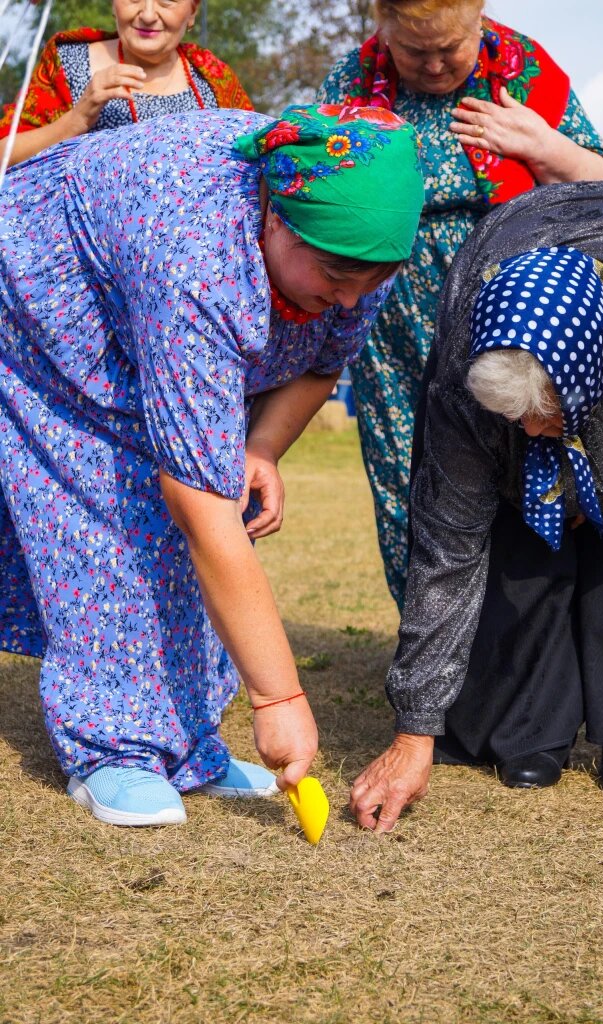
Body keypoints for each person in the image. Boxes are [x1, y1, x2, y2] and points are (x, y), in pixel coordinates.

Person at [0, 103, 424, 827]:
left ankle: (187, 744)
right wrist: (280, 698)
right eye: (337, 275)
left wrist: (259, 447)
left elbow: (328, 360)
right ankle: (115, 747)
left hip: (149, 291)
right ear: (276, 218)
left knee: (206, 497)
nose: (351, 297)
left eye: (371, 278)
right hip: (45, 301)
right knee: (111, 509)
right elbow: (196, 501)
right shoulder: (194, 253)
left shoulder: (358, 246)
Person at [349, 180, 603, 833]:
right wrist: (416, 730)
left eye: (541, 412)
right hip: (512, 251)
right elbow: (448, 552)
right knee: (510, 534)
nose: (530, 430)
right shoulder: (466, 374)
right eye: (513, 416)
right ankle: (526, 726)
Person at [318, 0, 603, 607]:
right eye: (413, 50)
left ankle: (513, 658)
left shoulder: (523, 67)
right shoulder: (352, 81)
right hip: (390, 327)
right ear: (381, 26)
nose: (432, 65)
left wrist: (542, 144)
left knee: (510, 470)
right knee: (408, 477)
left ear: (479, 18)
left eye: (449, 48)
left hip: (508, 321)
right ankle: (431, 646)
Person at [0, 0, 252, 167]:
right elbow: (4, 155)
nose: (148, 15)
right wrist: (75, 121)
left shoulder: (214, 79)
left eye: (166, 1)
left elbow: (255, 166)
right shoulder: (69, 62)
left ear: (193, 11)